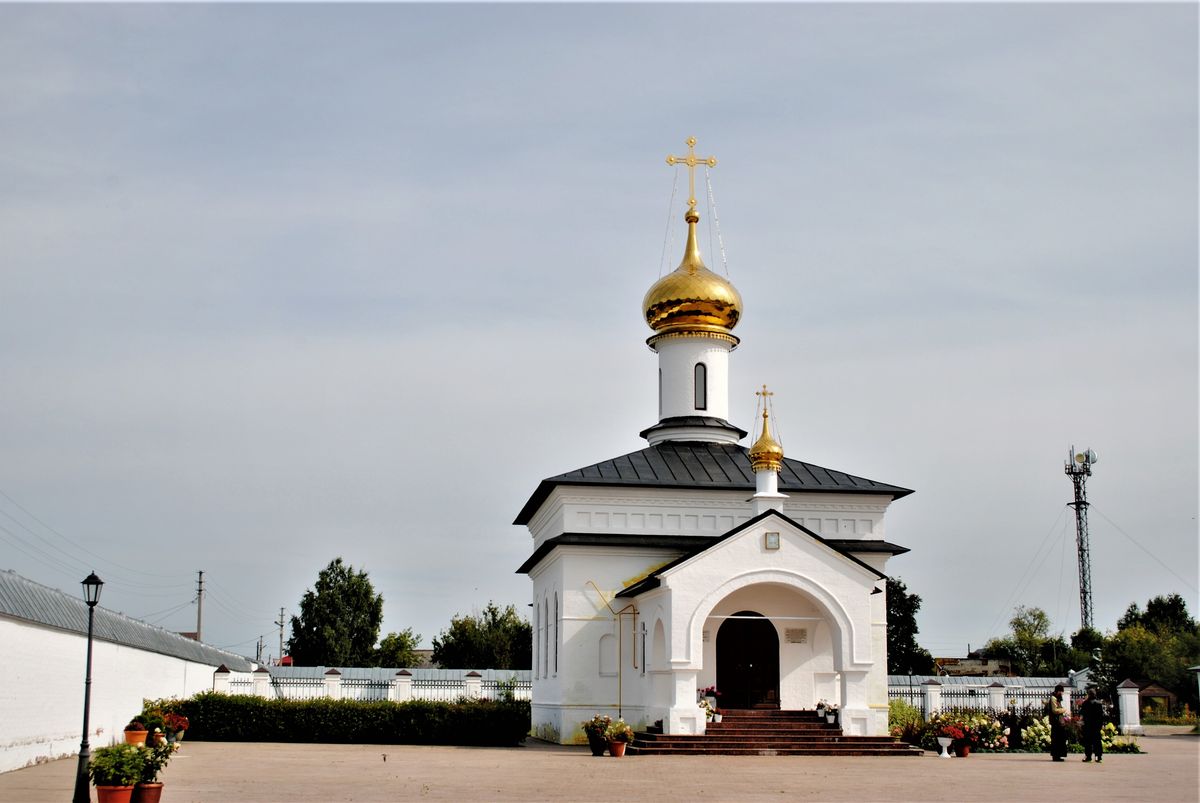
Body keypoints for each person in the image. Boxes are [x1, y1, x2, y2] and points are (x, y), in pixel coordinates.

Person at [1079, 689, 1104, 763]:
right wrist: (1101, 725)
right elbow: (1101, 716)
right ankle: (1098, 757)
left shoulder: (1085, 703)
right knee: (1097, 741)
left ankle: (1088, 756)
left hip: (1088, 725)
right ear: (1095, 694)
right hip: (1096, 726)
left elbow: (1082, 714)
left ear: (1089, 695)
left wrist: (1082, 723)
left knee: (1088, 742)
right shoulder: (1099, 703)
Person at [1046, 684, 1068, 761]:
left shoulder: (1057, 698)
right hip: (1056, 722)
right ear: (1058, 691)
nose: (1062, 693)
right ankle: (1056, 756)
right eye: (1061, 692)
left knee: (1060, 739)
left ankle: (1058, 755)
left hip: (1059, 722)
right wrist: (1064, 710)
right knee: (1056, 739)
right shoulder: (1053, 698)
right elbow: (1055, 710)